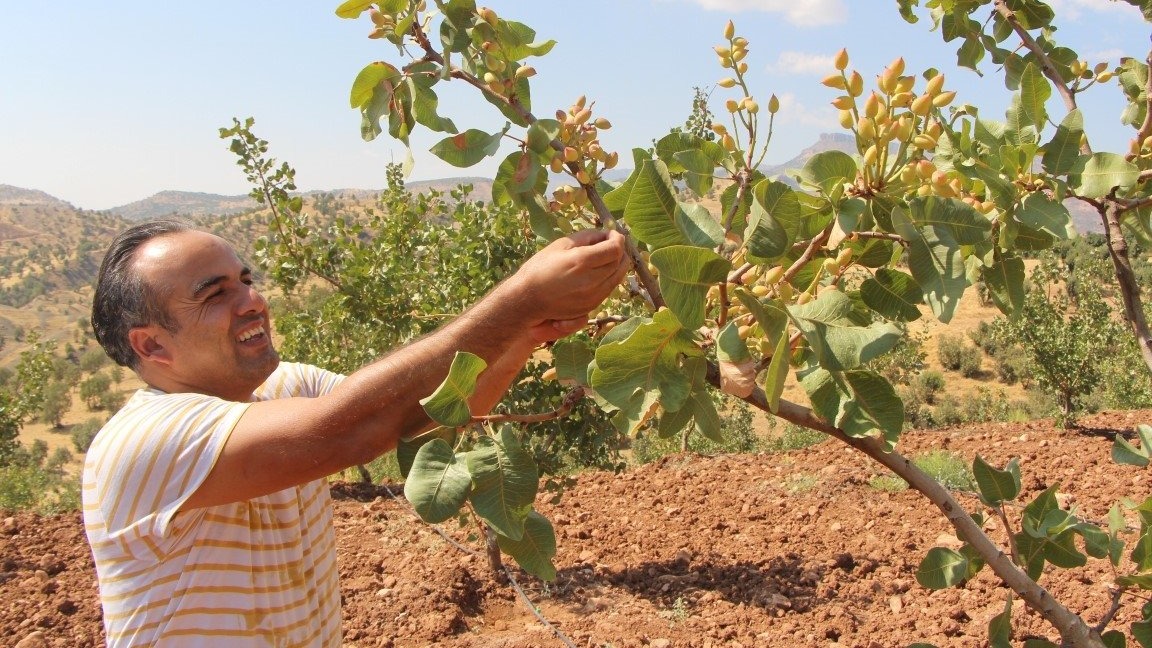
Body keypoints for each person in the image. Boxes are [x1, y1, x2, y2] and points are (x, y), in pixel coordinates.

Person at [82, 218, 628, 647]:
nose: (252, 301)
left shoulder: (282, 388)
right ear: (152, 346)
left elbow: (422, 411)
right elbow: (351, 430)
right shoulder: (144, 440)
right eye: (214, 293)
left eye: (246, 280)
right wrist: (519, 299)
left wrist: (529, 331)